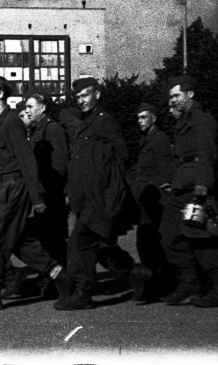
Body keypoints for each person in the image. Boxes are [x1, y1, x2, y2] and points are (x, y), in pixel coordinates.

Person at [0, 77, 70, 311]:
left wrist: (36, 197)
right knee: (21, 242)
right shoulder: (0, 123)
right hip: (3, 187)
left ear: (0, 94)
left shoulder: (12, 122)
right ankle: (60, 275)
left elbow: (26, 159)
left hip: (13, 189)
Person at [55, 77, 143, 310]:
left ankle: (83, 293)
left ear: (98, 95)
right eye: (78, 97)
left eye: (85, 95)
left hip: (101, 196)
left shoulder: (105, 122)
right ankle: (137, 273)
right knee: (101, 245)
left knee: (79, 242)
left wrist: (108, 185)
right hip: (87, 195)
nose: (81, 100)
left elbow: (121, 154)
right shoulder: (86, 122)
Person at [159, 75, 218, 308]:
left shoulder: (201, 119)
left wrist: (202, 187)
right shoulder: (184, 121)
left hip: (197, 188)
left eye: (176, 95)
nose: (172, 101)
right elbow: (182, 158)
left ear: (190, 94)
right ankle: (190, 281)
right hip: (183, 186)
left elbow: (206, 153)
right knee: (170, 233)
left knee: (203, 238)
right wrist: (174, 181)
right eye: (170, 96)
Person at [23, 92, 69, 297]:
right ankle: (49, 278)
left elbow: (59, 165)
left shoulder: (52, 128)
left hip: (51, 194)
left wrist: (47, 193)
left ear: (43, 108)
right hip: (43, 192)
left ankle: (58, 281)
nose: (27, 110)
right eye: (27, 106)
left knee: (53, 239)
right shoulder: (36, 129)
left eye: (31, 106)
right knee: (44, 237)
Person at [127, 102, 175, 301]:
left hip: (156, 199)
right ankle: (159, 280)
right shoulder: (146, 139)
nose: (140, 121)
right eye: (138, 118)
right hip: (146, 199)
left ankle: (163, 281)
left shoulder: (158, 138)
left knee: (151, 241)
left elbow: (166, 168)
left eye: (144, 117)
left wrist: (165, 192)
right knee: (148, 242)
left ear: (154, 118)